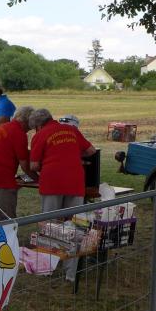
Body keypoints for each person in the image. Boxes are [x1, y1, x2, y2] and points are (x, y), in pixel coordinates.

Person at [29, 108, 97, 282]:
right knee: (75, 225)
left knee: (49, 224)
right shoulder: (71, 130)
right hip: (75, 181)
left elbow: (34, 165)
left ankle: (46, 267)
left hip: (52, 182)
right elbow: (91, 150)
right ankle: (70, 273)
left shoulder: (40, 135)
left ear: (38, 125)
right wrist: (73, 154)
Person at [0, 106, 38, 223]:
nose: (30, 129)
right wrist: (38, 179)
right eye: (30, 126)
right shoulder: (19, 133)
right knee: (6, 219)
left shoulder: (3, 127)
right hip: (0, 178)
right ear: (27, 121)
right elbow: (25, 165)